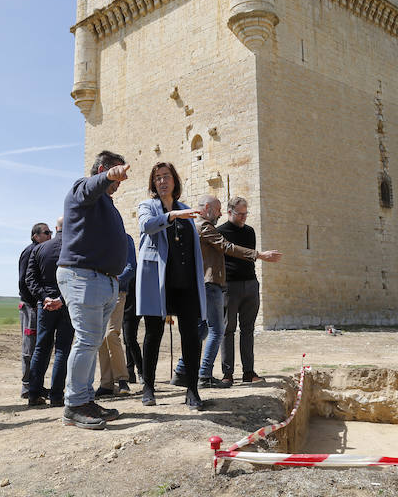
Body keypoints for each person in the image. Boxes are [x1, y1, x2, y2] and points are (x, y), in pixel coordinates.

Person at [171, 195, 282, 388]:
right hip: (216, 285)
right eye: (219, 209)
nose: (220, 213)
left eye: (246, 213)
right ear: (208, 208)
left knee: (203, 329)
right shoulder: (207, 228)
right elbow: (226, 247)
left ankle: (182, 371)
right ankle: (206, 374)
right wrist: (259, 255)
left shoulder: (196, 228)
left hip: (220, 284)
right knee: (218, 330)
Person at [57, 150, 130, 430]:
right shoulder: (81, 190)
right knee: (87, 340)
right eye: (116, 174)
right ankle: (74, 405)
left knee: (92, 341)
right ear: (102, 169)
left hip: (101, 280)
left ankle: (85, 399)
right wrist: (106, 176)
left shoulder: (106, 203)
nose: (120, 180)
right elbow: (89, 186)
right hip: (83, 277)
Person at [135, 162, 207, 410]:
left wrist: (179, 213)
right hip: (157, 278)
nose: (162, 181)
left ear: (174, 181)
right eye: (157, 178)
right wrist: (172, 216)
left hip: (184, 280)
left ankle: (192, 389)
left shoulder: (187, 209)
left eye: (166, 177)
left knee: (191, 334)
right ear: (153, 184)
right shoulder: (147, 206)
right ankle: (148, 387)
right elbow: (146, 225)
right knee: (153, 333)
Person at [217, 196, 282, 385]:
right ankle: (227, 374)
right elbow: (231, 252)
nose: (244, 217)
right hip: (229, 286)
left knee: (248, 329)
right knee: (228, 330)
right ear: (230, 212)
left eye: (246, 213)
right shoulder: (220, 232)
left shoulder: (250, 231)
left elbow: (248, 258)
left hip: (250, 284)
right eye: (240, 214)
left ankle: (248, 371)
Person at [25, 216, 72, 408]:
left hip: (44, 305)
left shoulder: (39, 249)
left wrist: (44, 297)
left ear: (56, 228)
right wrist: (60, 299)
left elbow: (30, 279)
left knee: (41, 347)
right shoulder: (74, 247)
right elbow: (77, 277)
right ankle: (56, 396)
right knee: (62, 349)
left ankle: (34, 394)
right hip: (66, 302)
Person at [96, 233, 136, 397]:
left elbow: (131, 266)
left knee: (111, 334)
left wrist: (114, 281)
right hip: (97, 293)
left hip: (117, 291)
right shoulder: (95, 238)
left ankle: (122, 379)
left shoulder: (125, 239)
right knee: (100, 338)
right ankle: (106, 383)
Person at [18, 222, 52, 399]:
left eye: (50, 232)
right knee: (29, 347)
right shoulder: (29, 252)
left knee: (40, 346)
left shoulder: (41, 251)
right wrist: (32, 303)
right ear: (35, 236)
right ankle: (27, 386)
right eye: (46, 232)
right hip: (30, 306)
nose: (50, 235)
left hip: (39, 306)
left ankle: (36, 384)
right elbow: (24, 281)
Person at [121, 236, 143, 384]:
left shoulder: (130, 269)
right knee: (127, 339)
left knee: (129, 338)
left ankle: (141, 371)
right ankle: (130, 372)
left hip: (132, 304)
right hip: (126, 303)